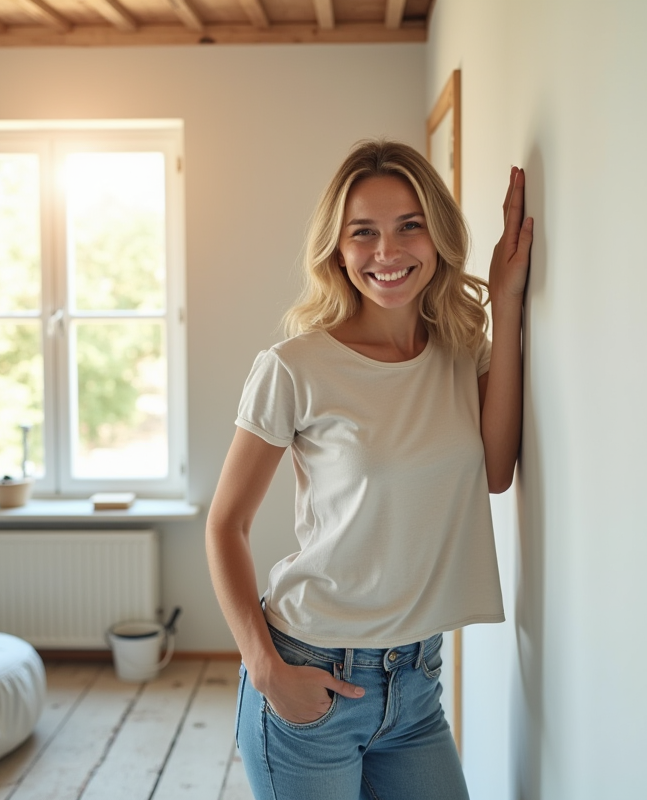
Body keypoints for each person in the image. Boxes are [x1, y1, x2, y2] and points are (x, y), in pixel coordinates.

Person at [205, 139, 532, 800]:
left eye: (409, 225)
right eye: (364, 233)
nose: (388, 251)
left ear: (437, 234)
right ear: (338, 248)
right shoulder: (294, 366)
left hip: (416, 682)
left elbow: (497, 470)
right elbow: (225, 525)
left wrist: (505, 300)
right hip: (311, 672)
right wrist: (266, 670)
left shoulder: (460, 352)